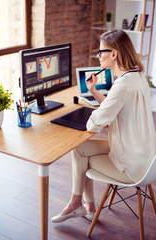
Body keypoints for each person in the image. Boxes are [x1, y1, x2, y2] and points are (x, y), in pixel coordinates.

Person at [51, 29, 156, 223]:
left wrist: (94, 114)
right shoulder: (138, 75)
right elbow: (114, 107)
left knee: (82, 160)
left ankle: (77, 204)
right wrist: (94, 91)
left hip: (130, 167)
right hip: (145, 157)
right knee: (80, 149)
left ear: (114, 54)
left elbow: (94, 124)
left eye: (101, 52)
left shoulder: (122, 85)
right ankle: (87, 206)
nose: (98, 57)